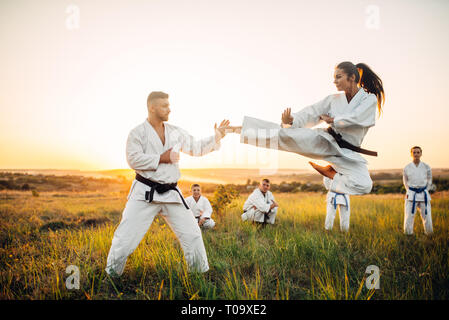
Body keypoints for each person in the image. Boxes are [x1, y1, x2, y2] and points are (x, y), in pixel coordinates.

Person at [105, 91, 230, 276]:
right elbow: (133, 159)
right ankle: (111, 276)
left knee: (193, 235)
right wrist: (162, 158)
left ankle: (198, 276)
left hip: (171, 193)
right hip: (145, 193)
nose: (169, 109)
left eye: (169, 105)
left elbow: (196, 148)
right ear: (152, 107)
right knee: (124, 240)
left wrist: (217, 137)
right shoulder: (137, 133)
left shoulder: (175, 132)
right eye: (164, 105)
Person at [227, 62, 385, 195]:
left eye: (338, 77)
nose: (335, 81)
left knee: (365, 185)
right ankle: (236, 129)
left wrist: (334, 119)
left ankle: (331, 174)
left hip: (349, 153)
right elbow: (311, 113)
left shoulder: (368, 99)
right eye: (334, 78)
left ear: (352, 77)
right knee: (284, 135)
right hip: (325, 141)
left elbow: (359, 118)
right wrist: (292, 120)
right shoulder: (333, 99)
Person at [403, 146, 433, 235]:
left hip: (423, 193)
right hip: (411, 193)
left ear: (421, 154)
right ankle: (408, 234)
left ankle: (429, 234)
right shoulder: (407, 167)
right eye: (414, 152)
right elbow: (405, 181)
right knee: (409, 216)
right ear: (411, 154)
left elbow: (429, 179)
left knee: (427, 216)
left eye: (418, 152)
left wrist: (426, 189)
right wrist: (409, 191)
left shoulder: (426, 166)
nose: (416, 154)